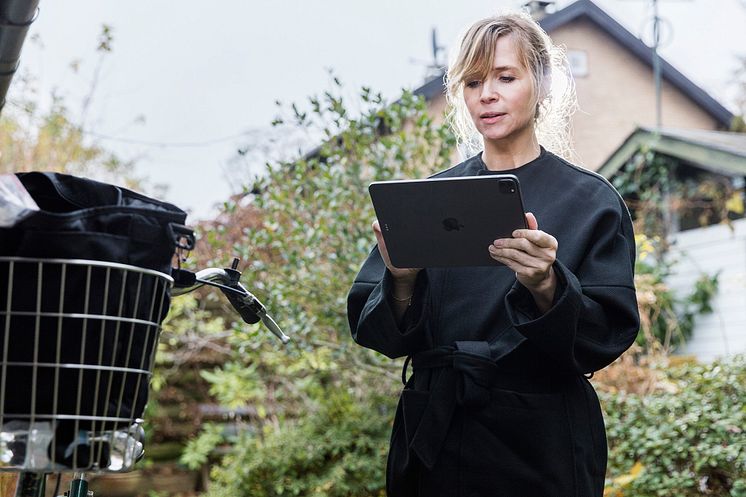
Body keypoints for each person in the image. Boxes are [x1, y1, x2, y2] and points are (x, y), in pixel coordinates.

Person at [346, 10, 641, 497]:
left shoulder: (591, 202)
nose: (487, 94)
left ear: (542, 86)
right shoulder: (428, 198)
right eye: (473, 81)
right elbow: (379, 332)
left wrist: (547, 285)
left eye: (506, 77)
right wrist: (400, 277)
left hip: (541, 439)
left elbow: (607, 335)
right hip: (437, 432)